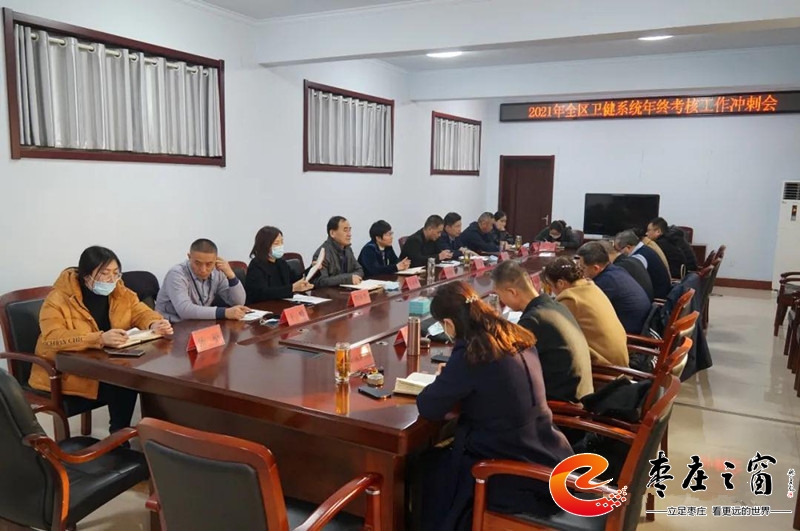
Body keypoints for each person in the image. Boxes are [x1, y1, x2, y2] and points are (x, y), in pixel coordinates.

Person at [417, 281, 573, 530]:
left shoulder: (473, 352)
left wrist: (444, 379)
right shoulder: (513, 334)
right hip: (550, 454)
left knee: (428, 467)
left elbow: (429, 407)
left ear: (448, 324)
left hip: (517, 477)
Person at [31, 246, 173, 433]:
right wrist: (99, 338)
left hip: (105, 362)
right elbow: (52, 337)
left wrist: (154, 323)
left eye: (116, 273)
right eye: (104, 273)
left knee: (140, 378)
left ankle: (152, 434)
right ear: (86, 275)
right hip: (64, 371)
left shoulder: (119, 291)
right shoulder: (58, 299)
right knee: (124, 382)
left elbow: (140, 312)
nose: (112, 279)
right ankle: (119, 437)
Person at [491, 261, 593, 402]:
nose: (501, 302)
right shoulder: (555, 305)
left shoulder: (533, 320)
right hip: (582, 393)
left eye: (499, 295)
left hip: (565, 405)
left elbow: (508, 365)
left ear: (512, 292)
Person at [542, 257, 628, 366]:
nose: (551, 291)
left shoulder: (570, 298)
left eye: (550, 285)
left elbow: (550, 330)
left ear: (560, 283)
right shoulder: (591, 287)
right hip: (620, 359)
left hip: (606, 367)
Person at [156, 239, 248, 322]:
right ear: (189, 257)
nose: (203, 269)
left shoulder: (217, 271)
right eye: (197, 263)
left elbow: (238, 303)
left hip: (199, 322)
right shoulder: (176, 274)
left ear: (216, 260)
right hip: (171, 325)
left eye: (209, 264)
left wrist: (231, 275)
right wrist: (224, 312)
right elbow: (184, 310)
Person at [576, 242, 652, 334]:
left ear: (596, 268)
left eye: (583, 268)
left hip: (629, 334)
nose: (581, 271)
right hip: (637, 323)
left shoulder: (606, 282)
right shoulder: (615, 270)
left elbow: (584, 307)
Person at [244, 226, 314, 303]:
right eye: (276, 243)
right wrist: (292, 288)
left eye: (282, 242)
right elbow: (263, 292)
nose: (280, 246)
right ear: (265, 246)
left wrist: (313, 269)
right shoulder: (256, 265)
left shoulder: (280, 262)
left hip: (282, 303)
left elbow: (295, 279)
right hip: (263, 306)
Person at [615, 229, 671, 299]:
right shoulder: (645, 249)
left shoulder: (639, 257)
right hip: (662, 291)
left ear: (628, 247)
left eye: (618, 250)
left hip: (657, 296)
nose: (618, 253)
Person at [311, 216, 364, 287]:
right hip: (330, 292)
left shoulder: (348, 249)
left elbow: (359, 270)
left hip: (347, 290)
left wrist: (352, 277)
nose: (349, 234)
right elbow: (321, 281)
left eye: (349, 230)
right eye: (345, 230)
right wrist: (347, 279)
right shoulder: (322, 253)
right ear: (332, 233)